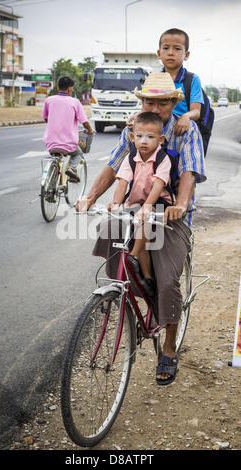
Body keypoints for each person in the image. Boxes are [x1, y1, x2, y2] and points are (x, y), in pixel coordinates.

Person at [82, 72, 206, 385]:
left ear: (172, 103)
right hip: (136, 208)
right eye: (148, 100)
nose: (154, 106)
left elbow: (189, 172)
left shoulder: (184, 129)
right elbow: (115, 167)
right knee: (110, 230)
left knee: (166, 282)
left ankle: (167, 347)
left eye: (161, 102)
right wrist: (90, 196)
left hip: (171, 215)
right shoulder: (134, 128)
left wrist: (182, 203)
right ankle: (126, 296)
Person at [108, 111, 173, 296]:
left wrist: (146, 207)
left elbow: (158, 186)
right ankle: (147, 278)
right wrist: (115, 203)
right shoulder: (131, 158)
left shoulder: (163, 160)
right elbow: (122, 183)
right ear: (132, 137)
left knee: (142, 223)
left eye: (150, 137)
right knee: (138, 236)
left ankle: (133, 256)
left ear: (160, 139)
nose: (144, 141)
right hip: (137, 202)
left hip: (157, 202)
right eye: (139, 136)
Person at [42, 75, 94, 181]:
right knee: (78, 153)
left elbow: (46, 119)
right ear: (70, 88)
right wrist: (90, 129)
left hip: (50, 141)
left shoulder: (49, 100)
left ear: (57, 87)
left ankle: (50, 186)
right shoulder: (75, 102)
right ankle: (72, 169)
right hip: (68, 142)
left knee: (56, 157)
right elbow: (84, 122)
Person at [157, 28, 204, 136]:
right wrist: (137, 116)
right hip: (158, 131)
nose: (170, 53)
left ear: (186, 55)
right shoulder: (154, 79)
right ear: (159, 53)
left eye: (177, 49)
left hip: (182, 131)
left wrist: (186, 116)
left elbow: (196, 112)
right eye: (166, 48)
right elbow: (147, 108)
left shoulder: (192, 79)